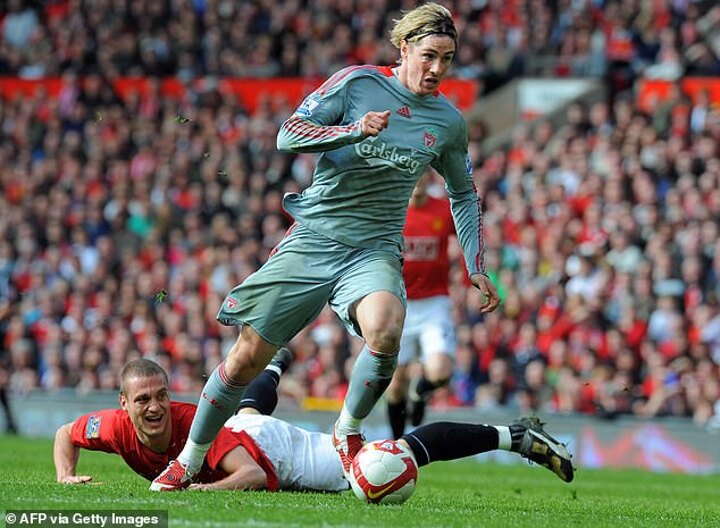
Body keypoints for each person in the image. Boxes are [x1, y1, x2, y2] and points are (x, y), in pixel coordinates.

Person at [150, 2, 501, 491]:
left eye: (447, 59)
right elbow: (288, 134)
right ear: (404, 48)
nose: (437, 69)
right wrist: (352, 130)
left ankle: (347, 431)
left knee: (386, 329)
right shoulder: (357, 84)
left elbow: (463, 192)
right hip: (315, 238)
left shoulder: (447, 121)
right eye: (429, 55)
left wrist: (475, 263)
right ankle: (189, 460)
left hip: (374, 248)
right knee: (246, 358)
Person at [54, 359, 574, 491]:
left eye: (161, 397)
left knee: (381, 466)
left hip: (282, 455)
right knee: (248, 414)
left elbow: (252, 475)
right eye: (142, 400)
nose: (154, 408)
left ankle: (514, 436)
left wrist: (202, 491)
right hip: (246, 429)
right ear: (123, 404)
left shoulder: (193, 425)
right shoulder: (112, 428)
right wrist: (64, 475)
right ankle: (276, 361)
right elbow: (65, 435)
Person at [387, 171, 459, 439]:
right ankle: (397, 444)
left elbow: (468, 234)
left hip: (434, 303)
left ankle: (420, 392)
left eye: (422, 174)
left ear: (429, 177)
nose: (417, 180)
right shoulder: (391, 209)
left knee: (440, 372)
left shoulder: (443, 209)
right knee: (395, 384)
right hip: (399, 303)